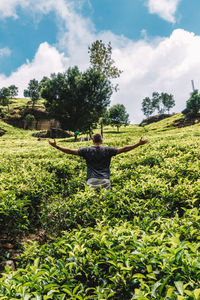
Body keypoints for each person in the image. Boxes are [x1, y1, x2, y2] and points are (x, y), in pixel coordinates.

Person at [48, 133, 148, 190]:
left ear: (92, 141)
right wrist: (138, 144)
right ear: (102, 141)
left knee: (92, 205)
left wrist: (56, 146)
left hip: (91, 180)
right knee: (105, 205)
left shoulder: (86, 150)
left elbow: (69, 151)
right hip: (105, 180)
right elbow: (124, 149)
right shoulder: (108, 150)